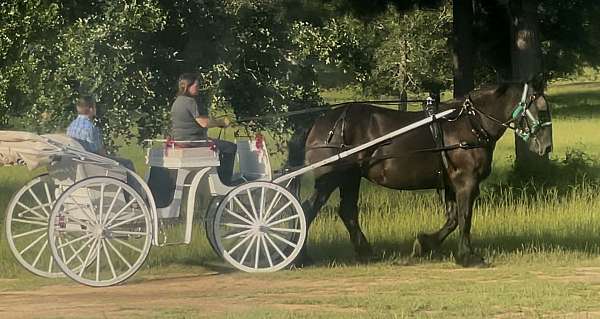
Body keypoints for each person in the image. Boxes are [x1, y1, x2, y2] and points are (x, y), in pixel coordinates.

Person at [171, 73, 237, 185]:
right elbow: (204, 123)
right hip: (193, 142)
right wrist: (221, 122)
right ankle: (225, 181)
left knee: (220, 145)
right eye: (196, 86)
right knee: (230, 147)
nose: (198, 89)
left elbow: (196, 120)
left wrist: (215, 121)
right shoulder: (189, 101)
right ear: (188, 86)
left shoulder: (177, 101)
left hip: (181, 140)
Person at [66, 95, 139, 190]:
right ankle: (135, 196)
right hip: (93, 165)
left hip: (77, 164)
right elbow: (101, 154)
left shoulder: (71, 126)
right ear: (91, 109)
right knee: (127, 163)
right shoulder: (91, 128)